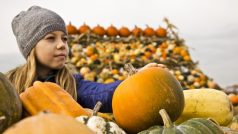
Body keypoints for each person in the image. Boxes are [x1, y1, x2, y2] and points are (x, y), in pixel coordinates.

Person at [6, 6, 167, 112]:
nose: (62, 45)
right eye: (50, 38)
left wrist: (137, 80)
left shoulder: (71, 83)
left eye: (64, 39)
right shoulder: (9, 84)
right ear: (30, 47)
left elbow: (103, 93)